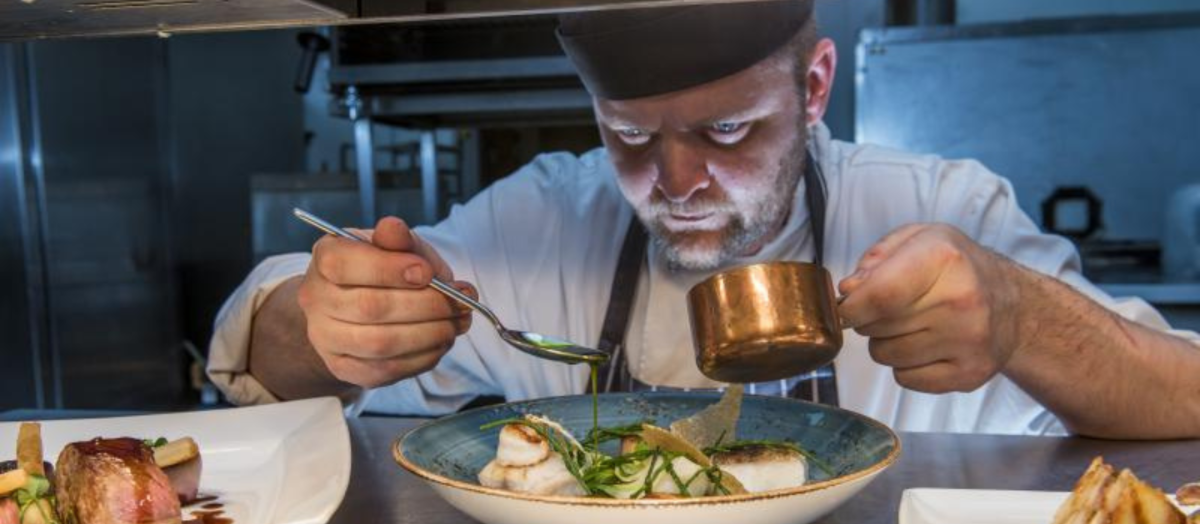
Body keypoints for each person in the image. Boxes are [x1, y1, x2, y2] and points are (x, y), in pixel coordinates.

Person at [208, 0, 1200, 438]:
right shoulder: (542, 221)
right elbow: (263, 360)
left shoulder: (940, 206)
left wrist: (1022, 319)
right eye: (630, 135)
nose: (675, 178)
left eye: (727, 129)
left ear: (815, 88)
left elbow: (1184, 400)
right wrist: (327, 322)